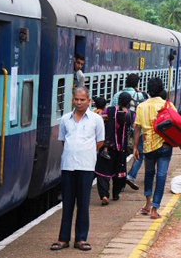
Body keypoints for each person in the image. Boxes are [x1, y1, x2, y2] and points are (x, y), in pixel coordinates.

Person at [51, 86, 105, 252]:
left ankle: (81, 239)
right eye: (76, 99)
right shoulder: (65, 119)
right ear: (72, 100)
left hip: (86, 166)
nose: (79, 102)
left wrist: (85, 152)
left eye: (83, 100)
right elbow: (63, 141)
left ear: (88, 101)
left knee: (83, 203)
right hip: (68, 166)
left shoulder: (96, 119)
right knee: (67, 203)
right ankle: (63, 239)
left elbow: (100, 142)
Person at [133, 77, 181, 220]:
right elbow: (177, 124)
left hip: (148, 146)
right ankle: (155, 209)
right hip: (165, 145)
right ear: (161, 88)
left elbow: (137, 128)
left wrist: (134, 148)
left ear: (148, 90)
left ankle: (147, 204)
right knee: (161, 176)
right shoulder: (168, 105)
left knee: (149, 174)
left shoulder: (141, 106)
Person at [95, 92, 135, 205]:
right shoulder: (130, 114)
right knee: (119, 173)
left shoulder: (110, 110)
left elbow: (99, 118)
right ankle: (116, 194)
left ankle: (104, 195)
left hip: (107, 147)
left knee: (103, 173)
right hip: (121, 149)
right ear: (128, 102)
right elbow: (135, 126)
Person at [113, 73, 148, 191]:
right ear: (137, 83)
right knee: (139, 154)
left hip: (119, 131)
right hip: (137, 130)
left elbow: (113, 110)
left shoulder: (117, 95)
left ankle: (118, 181)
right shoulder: (141, 95)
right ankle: (130, 175)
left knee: (120, 156)